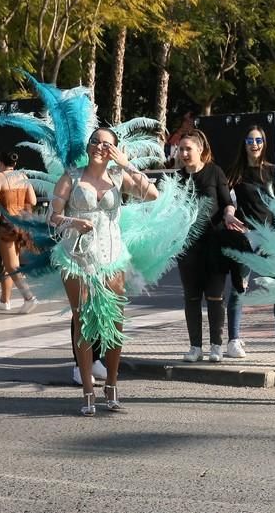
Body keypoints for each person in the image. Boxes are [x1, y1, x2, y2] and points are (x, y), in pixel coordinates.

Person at [48, 127, 159, 416]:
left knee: (115, 324)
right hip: (77, 257)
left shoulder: (120, 177)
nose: (100, 147)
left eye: (107, 144)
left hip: (111, 258)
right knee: (83, 322)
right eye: (95, 141)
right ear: (88, 146)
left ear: (114, 150)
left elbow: (152, 194)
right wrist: (73, 221)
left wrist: (126, 164)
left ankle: (111, 384)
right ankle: (87, 391)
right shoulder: (71, 177)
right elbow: (53, 215)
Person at [176, 129, 244, 363]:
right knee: (191, 298)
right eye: (181, 149)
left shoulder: (214, 172)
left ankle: (216, 345)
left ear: (200, 150)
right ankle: (195, 347)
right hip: (188, 247)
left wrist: (229, 215)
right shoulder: (177, 178)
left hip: (214, 244)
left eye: (188, 149)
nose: (184, 153)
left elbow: (227, 203)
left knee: (215, 297)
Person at [224, 125, 275, 357]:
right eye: (250, 140)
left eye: (259, 140)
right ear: (244, 143)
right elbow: (228, 200)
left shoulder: (273, 172)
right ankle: (233, 340)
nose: (255, 144)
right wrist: (229, 213)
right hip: (245, 237)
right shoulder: (235, 172)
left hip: (271, 236)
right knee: (238, 288)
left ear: (264, 144)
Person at [0, 150, 39, 314]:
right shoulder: (22, 176)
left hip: (7, 225)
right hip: (22, 224)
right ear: (14, 164)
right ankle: (4, 300)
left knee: (11, 264)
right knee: (7, 263)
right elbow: (34, 200)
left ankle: (29, 297)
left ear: (0, 162)